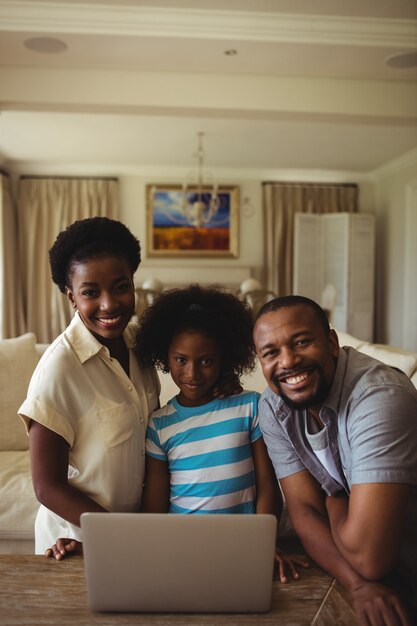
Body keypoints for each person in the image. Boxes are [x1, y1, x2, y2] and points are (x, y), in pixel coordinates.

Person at [253, 294, 417, 625]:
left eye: (301, 342)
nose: (288, 362)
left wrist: (334, 501)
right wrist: (358, 585)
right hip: (381, 581)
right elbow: (304, 511)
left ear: (331, 342)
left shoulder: (380, 397)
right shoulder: (274, 406)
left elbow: (371, 557)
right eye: (270, 353)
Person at [136, 284, 309, 583]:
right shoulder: (159, 424)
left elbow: (267, 486)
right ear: (165, 355)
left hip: (242, 548)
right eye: (181, 360)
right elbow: (155, 507)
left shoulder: (249, 407)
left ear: (224, 359)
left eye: (206, 361)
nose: (192, 373)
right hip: (182, 553)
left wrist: (263, 543)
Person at [18, 216, 160, 559]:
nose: (109, 304)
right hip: (74, 543)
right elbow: (46, 486)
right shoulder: (59, 369)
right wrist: (116, 535)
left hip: (133, 537)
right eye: (91, 292)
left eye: (121, 286)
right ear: (72, 297)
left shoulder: (140, 350)